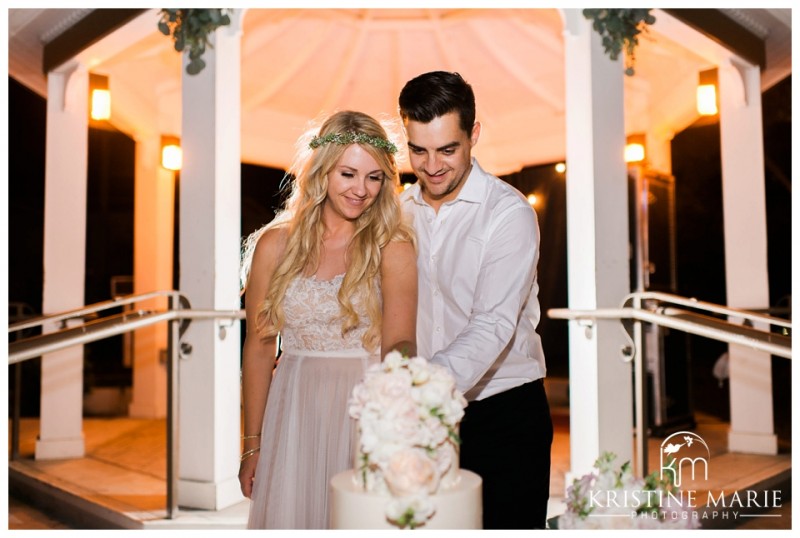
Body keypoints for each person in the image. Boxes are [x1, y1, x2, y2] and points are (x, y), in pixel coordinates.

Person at [238, 110, 417, 529]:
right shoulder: (274, 245)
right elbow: (259, 349)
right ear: (322, 171)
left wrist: (399, 434)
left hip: (363, 411)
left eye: (374, 177)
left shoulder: (393, 246)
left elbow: (399, 347)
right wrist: (252, 444)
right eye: (348, 174)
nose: (361, 190)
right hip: (293, 410)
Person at [398, 71, 553, 529]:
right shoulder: (399, 213)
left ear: (474, 135)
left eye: (447, 149)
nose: (432, 166)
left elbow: (492, 325)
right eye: (419, 150)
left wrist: (413, 390)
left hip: (504, 413)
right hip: (422, 420)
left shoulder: (509, 214)